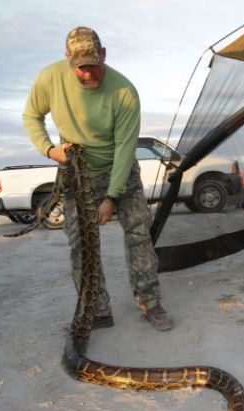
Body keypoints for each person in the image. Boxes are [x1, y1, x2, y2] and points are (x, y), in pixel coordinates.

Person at [22, 26, 174, 331]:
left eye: (93, 64)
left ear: (103, 55)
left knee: (138, 234)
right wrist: (50, 150)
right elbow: (31, 116)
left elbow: (124, 148)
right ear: (67, 60)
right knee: (80, 243)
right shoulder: (50, 78)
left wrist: (111, 198)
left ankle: (149, 301)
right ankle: (97, 310)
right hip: (76, 174)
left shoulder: (124, 91)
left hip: (120, 171)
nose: (87, 74)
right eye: (80, 67)